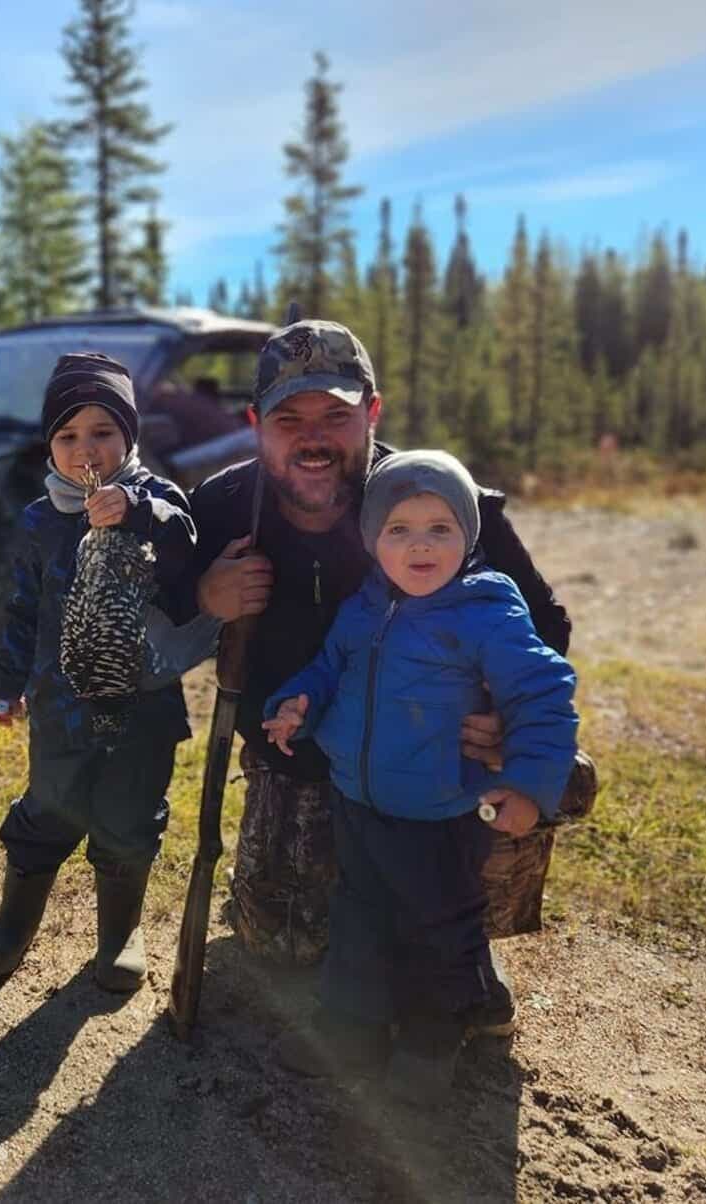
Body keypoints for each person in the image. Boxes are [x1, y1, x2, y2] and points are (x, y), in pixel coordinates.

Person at [169, 319, 578, 981]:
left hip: (427, 766)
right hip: (297, 760)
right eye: (289, 418)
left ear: (374, 413)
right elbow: (157, 634)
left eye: (336, 415)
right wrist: (206, 600)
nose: (313, 438)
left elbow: (546, 625)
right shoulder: (219, 507)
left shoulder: (434, 502)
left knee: (436, 932)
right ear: (255, 423)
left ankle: (468, 934)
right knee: (286, 952)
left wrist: (501, 719)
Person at [260, 449, 579, 1100]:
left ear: (468, 534)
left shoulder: (487, 611)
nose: (420, 545)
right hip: (359, 800)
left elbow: (544, 692)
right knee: (359, 916)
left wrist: (525, 782)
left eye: (441, 527)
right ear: (373, 539)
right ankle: (350, 1030)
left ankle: (432, 1045)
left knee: (440, 929)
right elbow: (327, 668)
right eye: (399, 529)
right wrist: (296, 703)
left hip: (441, 813)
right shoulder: (363, 606)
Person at [0, 351, 196, 993]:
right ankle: (15, 923)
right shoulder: (41, 519)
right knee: (50, 805)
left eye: (102, 431)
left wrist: (137, 509)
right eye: (67, 435)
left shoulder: (155, 499)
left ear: (129, 436)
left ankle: (121, 932)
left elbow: (187, 549)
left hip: (142, 702)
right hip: (59, 703)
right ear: (49, 446)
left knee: (128, 812)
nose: (84, 448)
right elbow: (20, 608)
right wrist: (7, 680)